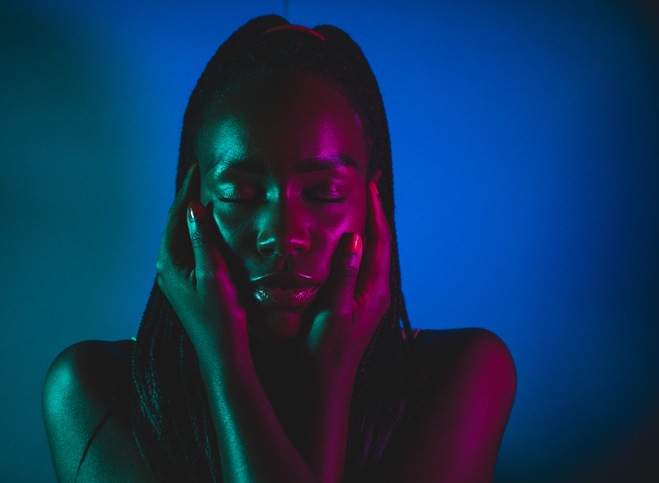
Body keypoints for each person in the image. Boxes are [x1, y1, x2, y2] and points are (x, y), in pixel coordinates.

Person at [42, 15, 516, 483]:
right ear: (191, 206)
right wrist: (224, 359)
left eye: (325, 193)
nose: (283, 235)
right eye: (242, 195)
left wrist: (332, 379)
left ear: (375, 208)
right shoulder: (91, 389)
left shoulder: (463, 373)